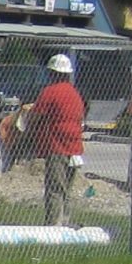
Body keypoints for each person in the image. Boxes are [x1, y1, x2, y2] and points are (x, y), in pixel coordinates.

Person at [30, 52, 87, 224]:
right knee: (66, 189)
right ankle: (65, 223)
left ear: (53, 73)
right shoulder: (75, 93)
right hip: (75, 147)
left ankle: (52, 226)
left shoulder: (50, 92)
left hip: (57, 146)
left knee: (55, 188)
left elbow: (36, 116)